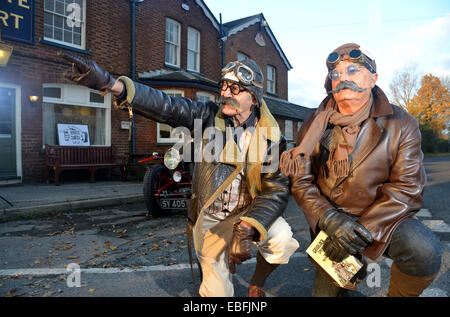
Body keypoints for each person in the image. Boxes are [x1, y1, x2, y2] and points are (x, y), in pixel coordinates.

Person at [59, 51, 299, 297]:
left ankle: (256, 282)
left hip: (247, 213)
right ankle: (218, 263)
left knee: (282, 240)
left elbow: (276, 190)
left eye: (236, 89)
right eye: (224, 86)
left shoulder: (270, 138)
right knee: (216, 296)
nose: (225, 93)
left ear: (254, 97)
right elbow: (168, 106)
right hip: (213, 218)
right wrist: (112, 85)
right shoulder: (207, 117)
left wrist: (247, 227)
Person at [280, 43, 442, 297]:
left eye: (353, 70)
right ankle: (347, 277)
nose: (343, 78)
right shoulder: (315, 121)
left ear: (373, 78)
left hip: (382, 220)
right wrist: (329, 219)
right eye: (336, 74)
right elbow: (301, 181)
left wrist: (362, 230)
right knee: (331, 292)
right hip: (330, 221)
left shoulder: (402, 123)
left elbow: (406, 188)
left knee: (425, 249)